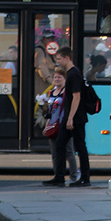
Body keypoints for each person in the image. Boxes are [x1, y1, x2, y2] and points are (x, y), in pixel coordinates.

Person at [43, 46, 90, 187]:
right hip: (70, 117)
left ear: (66, 58)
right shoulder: (71, 73)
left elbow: (77, 97)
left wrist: (70, 118)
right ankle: (59, 176)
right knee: (60, 145)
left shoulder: (73, 74)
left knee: (80, 147)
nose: (57, 62)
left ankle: (85, 179)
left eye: (59, 59)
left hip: (75, 118)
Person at [37, 67, 80, 183]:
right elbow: (50, 112)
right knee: (55, 152)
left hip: (64, 124)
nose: (57, 79)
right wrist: (47, 126)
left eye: (59, 77)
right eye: (55, 77)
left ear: (65, 79)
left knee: (69, 151)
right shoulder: (51, 92)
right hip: (53, 124)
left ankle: (74, 175)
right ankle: (57, 175)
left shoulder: (67, 92)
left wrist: (69, 120)